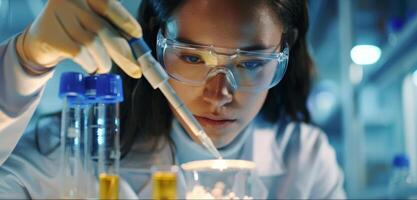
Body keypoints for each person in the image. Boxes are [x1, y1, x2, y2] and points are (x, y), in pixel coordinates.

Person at [0, 0, 346, 198]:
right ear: (155, 44)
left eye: (251, 63)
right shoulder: (72, 154)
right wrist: (25, 60)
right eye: (194, 58)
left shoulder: (306, 161)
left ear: (285, 50)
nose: (220, 94)